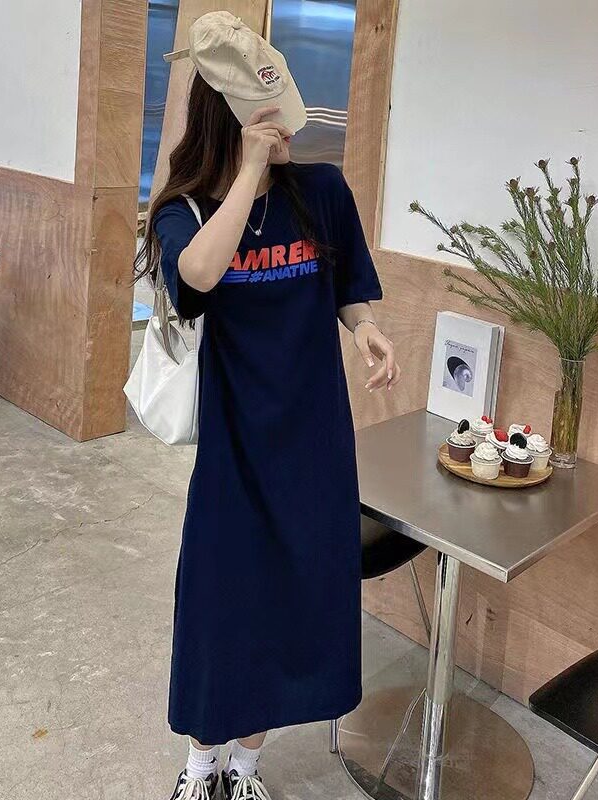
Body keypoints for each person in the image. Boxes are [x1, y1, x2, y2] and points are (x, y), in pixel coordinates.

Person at [135, 12, 402, 800]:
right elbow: (196, 278)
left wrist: (366, 329)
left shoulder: (322, 191)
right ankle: (201, 766)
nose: (286, 129)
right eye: (265, 117)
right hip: (234, 448)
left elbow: (347, 284)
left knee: (292, 605)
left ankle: (246, 767)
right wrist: (248, 176)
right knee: (222, 607)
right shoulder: (183, 212)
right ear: (228, 118)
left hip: (313, 442)